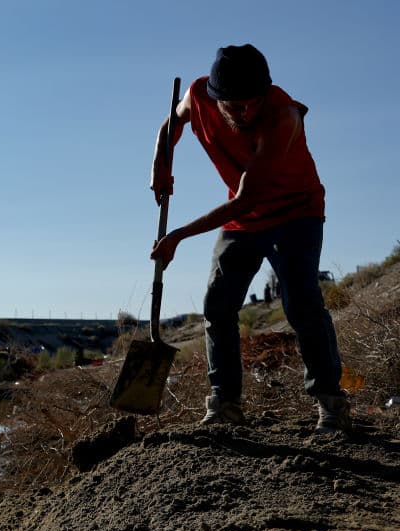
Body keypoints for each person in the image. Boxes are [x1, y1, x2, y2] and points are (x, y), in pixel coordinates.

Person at [149, 44, 350, 433]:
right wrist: (160, 163)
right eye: (236, 107)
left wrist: (178, 236)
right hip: (244, 221)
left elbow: (247, 198)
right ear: (215, 97)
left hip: (296, 213)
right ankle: (224, 404)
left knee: (302, 304)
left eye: (253, 103)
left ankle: (331, 403)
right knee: (218, 304)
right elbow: (170, 126)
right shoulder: (196, 95)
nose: (247, 113)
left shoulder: (283, 117)